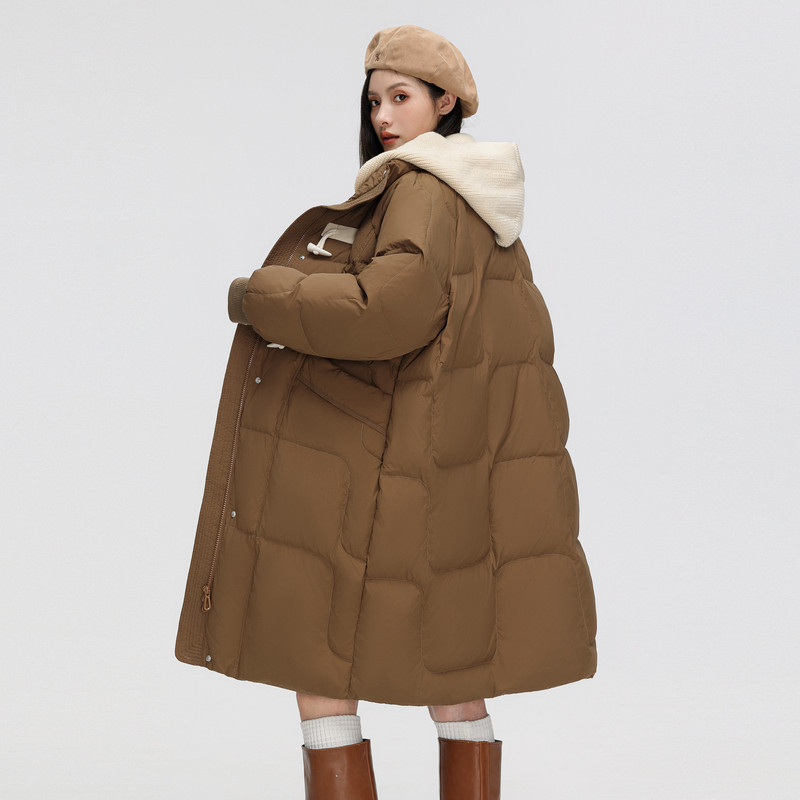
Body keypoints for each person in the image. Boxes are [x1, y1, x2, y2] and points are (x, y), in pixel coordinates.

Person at [175, 24, 597, 800]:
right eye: (374, 101)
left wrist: (263, 295)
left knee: (318, 666)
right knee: (454, 675)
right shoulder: (480, 198)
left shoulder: (423, 189)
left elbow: (387, 311)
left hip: (393, 472)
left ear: (446, 102)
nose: (384, 117)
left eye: (401, 97)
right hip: (448, 472)